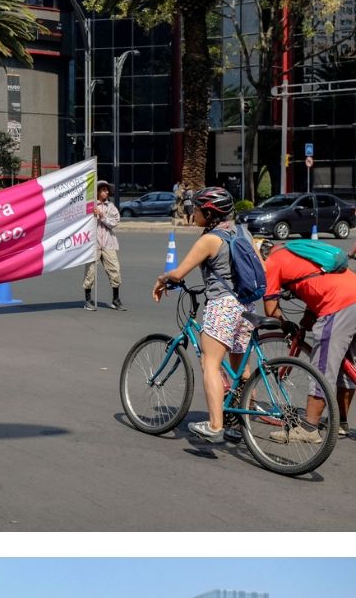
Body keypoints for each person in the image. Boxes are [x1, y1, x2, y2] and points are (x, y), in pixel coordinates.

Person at [152, 186, 262, 442]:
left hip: (223, 307)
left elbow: (178, 274)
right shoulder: (244, 232)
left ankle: (215, 426)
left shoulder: (210, 239)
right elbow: (261, 266)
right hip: (247, 306)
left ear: (209, 213)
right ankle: (238, 422)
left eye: (198, 209)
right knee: (240, 369)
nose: (194, 213)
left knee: (210, 365)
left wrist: (161, 280)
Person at [260, 239, 356, 444]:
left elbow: (270, 310)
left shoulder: (271, 263)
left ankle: (309, 428)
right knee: (348, 364)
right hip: (352, 294)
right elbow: (315, 281)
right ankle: (340, 423)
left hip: (337, 305)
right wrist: (309, 317)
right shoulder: (298, 251)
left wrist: (284, 324)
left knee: (321, 369)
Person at [84, 180, 123, 310]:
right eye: (103, 190)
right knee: (90, 272)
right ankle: (88, 300)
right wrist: (91, 214)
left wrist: (102, 216)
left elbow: (114, 222)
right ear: (98, 192)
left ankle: (115, 299)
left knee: (115, 270)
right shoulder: (89, 206)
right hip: (93, 244)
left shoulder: (111, 207)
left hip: (108, 243)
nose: (106, 192)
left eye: (107, 190)